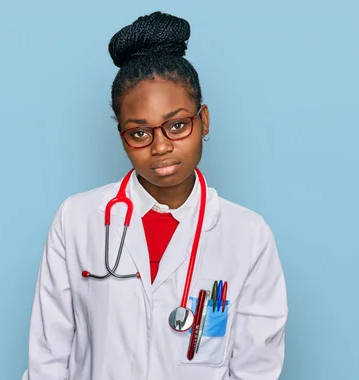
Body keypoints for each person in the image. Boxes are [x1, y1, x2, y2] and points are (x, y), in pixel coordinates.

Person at [22, 11, 288, 380]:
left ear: (204, 120)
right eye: (139, 133)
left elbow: (255, 369)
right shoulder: (77, 220)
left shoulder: (248, 235)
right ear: (122, 137)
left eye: (177, 125)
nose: (161, 146)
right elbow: (48, 358)